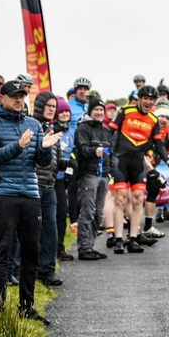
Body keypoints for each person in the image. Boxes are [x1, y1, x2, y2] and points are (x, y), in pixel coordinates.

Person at [0, 80, 60, 323]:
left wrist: (44, 149)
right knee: (1, 251)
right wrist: (17, 146)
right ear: (1, 98)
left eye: (22, 96)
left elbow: (42, 163)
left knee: (31, 251)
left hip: (31, 195)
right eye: (14, 96)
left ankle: (27, 306)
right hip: (3, 194)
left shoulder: (33, 124)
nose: (19, 100)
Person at [107, 85, 169, 254]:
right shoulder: (125, 111)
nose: (148, 102)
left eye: (151, 100)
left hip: (138, 161)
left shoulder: (153, 119)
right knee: (120, 199)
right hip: (121, 159)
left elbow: (158, 144)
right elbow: (109, 131)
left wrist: (168, 161)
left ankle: (132, 239)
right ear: (139, 99)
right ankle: (118, 240)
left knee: (139, 199)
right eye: (145, 98)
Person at [73, 98, 114, 260]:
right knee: (87, 212)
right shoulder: (83, 128)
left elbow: (110, 153)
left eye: (101, 110)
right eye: (95, 109)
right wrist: (93, 151)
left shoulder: (106, 130)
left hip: (104, 177)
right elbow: (82, 149)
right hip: (88, 176)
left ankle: (90, 246)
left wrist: (109, 173)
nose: (98, 112)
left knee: (98, 214)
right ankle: (83, 248)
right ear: (90, 111)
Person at [33, 92, 66, 287]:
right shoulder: (31, 126)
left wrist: (68, 163)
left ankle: (47, 271)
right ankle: (29, 270)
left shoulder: (52, 129)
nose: (52, 109)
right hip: (33, 185)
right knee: (31, 231)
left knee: (50, 230)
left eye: (54, 106)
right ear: (39, 106)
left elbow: (56, 159)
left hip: (49, 186)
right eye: (49, 105)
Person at [53, 98, 75, 261]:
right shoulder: (52, 130)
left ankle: (60, 247)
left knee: (62, 213)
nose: (65, 114)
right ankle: (49, 248)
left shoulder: (71, 131)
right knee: (50, 216)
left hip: (62, 179)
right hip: (49, 179)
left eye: (67, 111)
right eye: (62, 112)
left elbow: (74, 152)